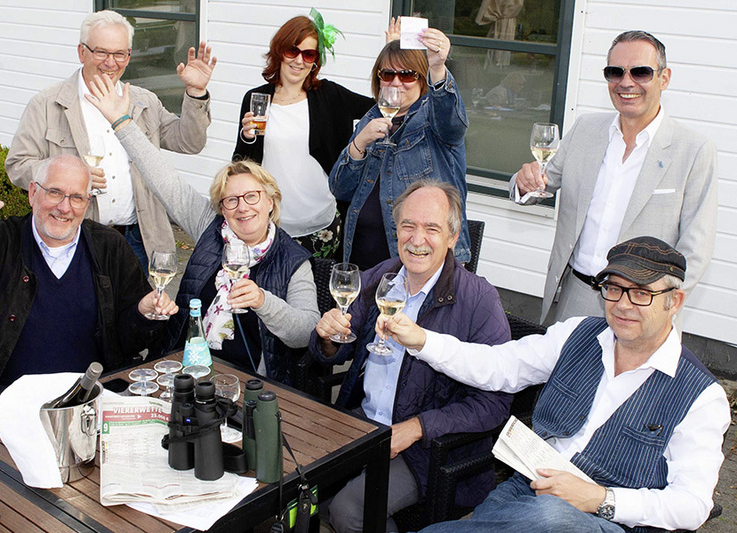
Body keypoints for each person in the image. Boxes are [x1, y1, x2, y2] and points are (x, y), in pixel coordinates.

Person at [383, 236, 730, 533]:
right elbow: (498, 365)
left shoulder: (701, 396)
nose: (623, 305)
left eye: (641, 293)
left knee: (548, 517)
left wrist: (599, 498)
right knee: (537, 514)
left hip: (610, 521)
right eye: (613, 289)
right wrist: (422, 340)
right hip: (527, 492)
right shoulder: (577, 334)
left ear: (675, 302)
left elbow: (692, 504)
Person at [84, 73, 320, 385]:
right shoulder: (211, 227)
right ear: (221, 208)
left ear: (271, 202)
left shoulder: (294, 260)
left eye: (252, 196)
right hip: (184, 369)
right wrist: (122, 121)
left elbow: (306, 332)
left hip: (250, 383)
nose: (242, 207)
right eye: (231, 200)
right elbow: (163, 178)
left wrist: (263, 301)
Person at [310, 180, 512, 533]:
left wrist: (418, 428)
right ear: (396, 229)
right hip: (367, 422)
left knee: (349, 511)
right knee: (301, 481)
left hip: (431, 450)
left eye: (431, 228)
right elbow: (334, 350)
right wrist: (327, 336)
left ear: (452, 236)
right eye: (408, 226)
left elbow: (494, 404)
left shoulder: (479, 301)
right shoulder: (381, 279)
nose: (417, 239)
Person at [0, 156, 178, 417]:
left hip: (93, 397)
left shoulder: (109, 247)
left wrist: (142, 315)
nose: (65, 207)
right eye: (55, 192)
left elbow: (130, 344)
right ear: (32, 193)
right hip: (9, 398)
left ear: (87, 204)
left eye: (76, 197)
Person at [511, 30, 718, 325]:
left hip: (642, 312)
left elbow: (695, 251)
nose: (626, 82)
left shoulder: (694, 150)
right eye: (615, 72)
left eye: (641, 72)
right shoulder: (585, 130)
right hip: (575, 298)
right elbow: (539, 185)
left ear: (664, 78)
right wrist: (524, 182)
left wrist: (655, 305)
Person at [5, 10, 216, 273]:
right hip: (77, 237)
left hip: (139, 238)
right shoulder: (47, 104)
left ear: (128, 56)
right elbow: (17, 165)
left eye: (119, 54)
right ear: (82, 52)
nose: (110, 62)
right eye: (101, 52)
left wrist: (196, 93)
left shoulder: (143, 101)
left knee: (138, 311)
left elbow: (189, 142)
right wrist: (67, 178)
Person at [233, 11, 374, 259]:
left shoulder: (328, 95)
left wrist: (395, 56)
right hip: (271, 226)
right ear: (279, 52)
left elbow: (379, 107)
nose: (299, 60)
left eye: (308, 54)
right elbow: (242, 163)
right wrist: (247, 136)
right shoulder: (257, 100)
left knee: (318, 295)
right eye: (292, 51)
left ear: (315, 61)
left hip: (323, 225)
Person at [330, 32, 471, 270]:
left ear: (421, 79)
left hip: (421, 263)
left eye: (407, 75)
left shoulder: (431, 116)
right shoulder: (371, 119)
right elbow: (340, 190)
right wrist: (358, 145)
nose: (396, 82)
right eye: (388, 74)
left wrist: (437, 67)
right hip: (363, 264)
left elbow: (453, 124)